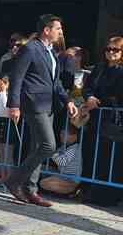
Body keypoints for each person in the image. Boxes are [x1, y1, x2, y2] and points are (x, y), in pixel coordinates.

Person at [6, 14, 78, 207]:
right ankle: (14, 180)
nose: (60, 32)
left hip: (50, 105)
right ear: (46, 30)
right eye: (58, 29)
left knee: (37, 147)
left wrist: (68, 100)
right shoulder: (30, 48)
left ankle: (31, 190)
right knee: (48, 146)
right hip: (34, 104)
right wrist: (14, 105)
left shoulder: (51, 52)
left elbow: (56, 83)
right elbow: (16, 78)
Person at [78, 36, 123, 206]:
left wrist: (99, 101)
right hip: (95, 118)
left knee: (108, 157)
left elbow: (118, 95)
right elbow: (87, 87)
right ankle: (89, 190)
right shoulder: (99, 68)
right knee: (91, 153)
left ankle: (107, 196)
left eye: (115, 49)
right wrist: (89, 97)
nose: (111, 52)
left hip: (112, 120)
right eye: (108, 49)